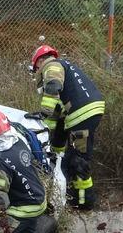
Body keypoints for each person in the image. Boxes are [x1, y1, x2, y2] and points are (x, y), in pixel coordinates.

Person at [27, 45, 105, 210]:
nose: (37, 72)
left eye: (36, 68)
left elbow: (53, 87)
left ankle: (83, 202)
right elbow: (59, 118)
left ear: (40, 61)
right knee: (73, 156)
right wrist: (55, 147)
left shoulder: (51, 65)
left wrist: (44, 114)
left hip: (82, 115)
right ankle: (77, 195)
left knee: (77, 159)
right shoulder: (64, 66)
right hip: (89, 111)